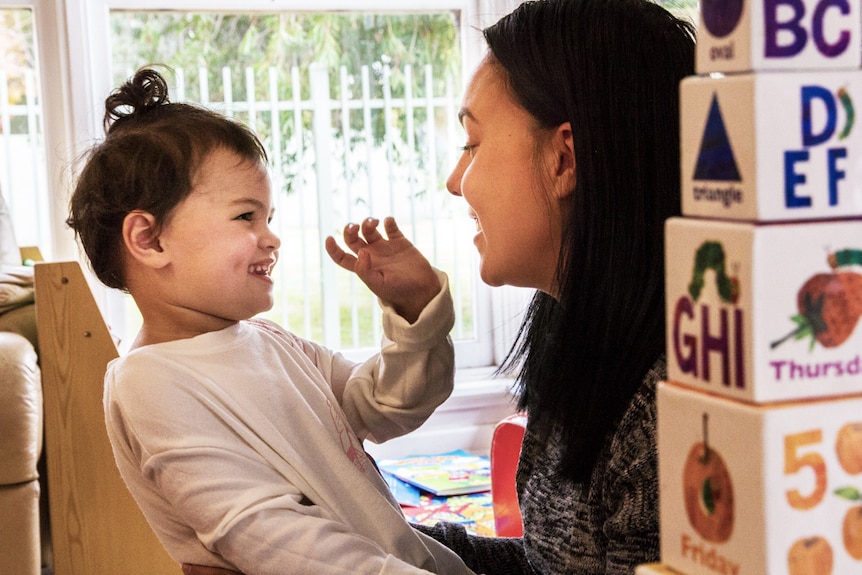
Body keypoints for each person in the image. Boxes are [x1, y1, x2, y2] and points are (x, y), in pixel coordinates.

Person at [185, 0, 695, 573]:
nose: (455, 181)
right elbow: (548, 565)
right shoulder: (577, 340)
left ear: (563, 158)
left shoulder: (675, 411)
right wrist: (383, 538)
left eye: (472, 145)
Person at [69, 67, 476, 575]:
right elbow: (270, 537)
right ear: (150, 241)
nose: (272, 238)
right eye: (246, 217)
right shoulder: (149, 382)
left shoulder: (270, 341)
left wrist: (416, 314)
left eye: (270, 217)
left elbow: (384, 407)